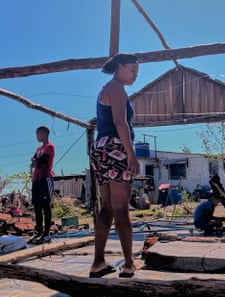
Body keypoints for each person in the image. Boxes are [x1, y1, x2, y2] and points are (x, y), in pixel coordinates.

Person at [89, 53, 140, 278]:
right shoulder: (116, 88)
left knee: (107, 207)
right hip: (115, 147)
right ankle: (129, 264)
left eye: (137, 72)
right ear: (119, 67)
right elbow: (120, 122)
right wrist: (131, 155)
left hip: (100, 148)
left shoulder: (105, 89)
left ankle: (98, 263)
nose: (135, 74)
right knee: (121, 208)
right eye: (132, 69)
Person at [29, 126, 55, 244]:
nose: (37, 136)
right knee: (37, 206)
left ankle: (46, 233)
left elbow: (41, 161)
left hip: (45, 178)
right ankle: (39, 232)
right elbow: (33, 159)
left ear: (44, 134)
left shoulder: (49, 147)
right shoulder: (39, 148)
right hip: (37, 180)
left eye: (38, 134)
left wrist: (36, 162)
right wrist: (35, 162)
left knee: (46, 206)